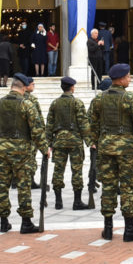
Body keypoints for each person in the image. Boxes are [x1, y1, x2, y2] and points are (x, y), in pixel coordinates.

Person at [90, 63, 133, 241]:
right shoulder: (131, 99)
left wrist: (94, 142)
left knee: (108, 186)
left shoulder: (99, 99)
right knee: (127, 186)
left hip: (106, 147)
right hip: (126, 149)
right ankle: (129, 228)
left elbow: (92, 125)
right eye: (127, 76)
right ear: (120, 79)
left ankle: (108, 228)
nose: (130, 78)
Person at [0, 73, 49, 234]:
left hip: (3, 147)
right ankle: (26, 222)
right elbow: (37, 131)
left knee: (2, 185)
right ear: (23, 87)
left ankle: (4, 221)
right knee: (24, 185)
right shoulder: (27, 105)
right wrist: (45, 149)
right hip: (21, 149)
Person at [46, 76, 92, 211]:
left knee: (58, 170)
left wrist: (47, 144)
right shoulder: (77, 103)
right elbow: (83, 123)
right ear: (72, 87)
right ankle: (77, 201)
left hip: (59, 140)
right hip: (75, 140)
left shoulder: (55, 103)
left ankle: (58, 201)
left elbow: (49, 124)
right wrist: (89, 141)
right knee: (76, 170)